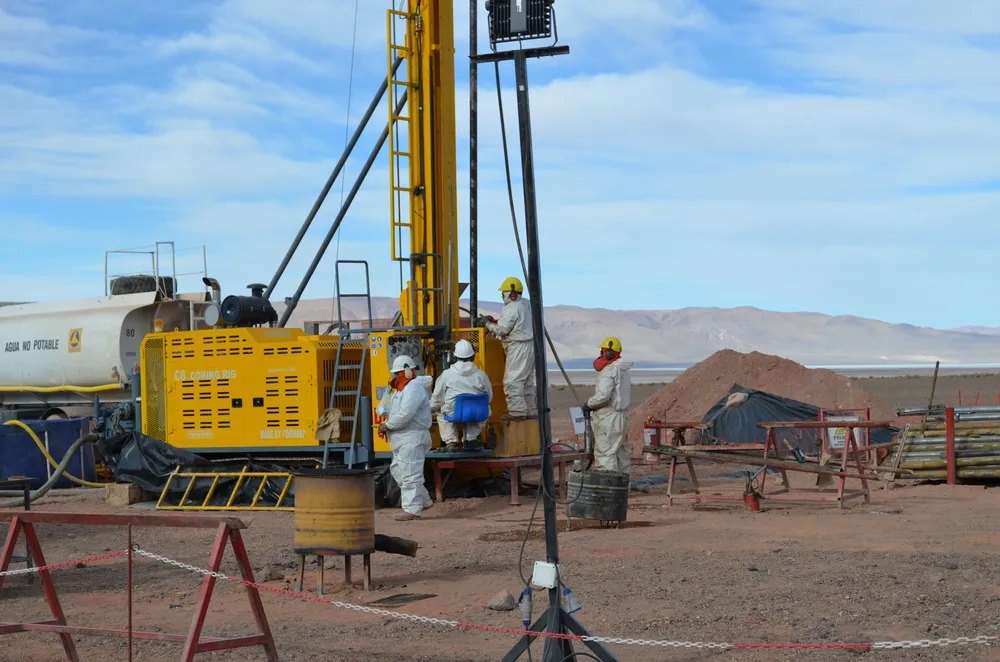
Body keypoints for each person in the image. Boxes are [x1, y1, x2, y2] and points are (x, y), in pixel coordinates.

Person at [377, 355, 434, 521]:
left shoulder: (414, 388)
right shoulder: (399, 390)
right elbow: (382, 410)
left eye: (398, 374)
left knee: (411, 473)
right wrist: (387, 393)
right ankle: (423, 500)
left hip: (412, 437)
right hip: (401, 439)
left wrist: (388, 425)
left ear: (408, 371)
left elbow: (405, 415)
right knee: (398, 470)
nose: (396, 377)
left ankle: (412, 509)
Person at [476, 276, 536, 419]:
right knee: (526, 381)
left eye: (504, 293)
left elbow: (503, 330)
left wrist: (486, 324)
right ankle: (530, 410)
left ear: (510, 294)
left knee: (513, 381)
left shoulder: (511, 308)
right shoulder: (527, 304)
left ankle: (517, 412)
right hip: (530, 345)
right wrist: (493, 322)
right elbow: (517, 323)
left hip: (518, 346)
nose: (503, 296)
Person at [581, 336, 633, 475]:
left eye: (602, 351)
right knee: (622, 454)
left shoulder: (609, 371)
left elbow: (603, 397)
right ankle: (623, 488)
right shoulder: (623, 371)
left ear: (608, 353)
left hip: (609, 419)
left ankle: (610, 489)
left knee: (605, 455)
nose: (601, 355)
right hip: (622, 417)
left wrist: (588, 404)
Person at [430, 339, 493, 452]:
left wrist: (431, 408)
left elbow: (437, 399)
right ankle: (470, 439)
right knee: (482, 408)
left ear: (454, 357)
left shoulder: (446, 375)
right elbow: (489, 397)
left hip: (454, 412)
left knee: (439, 411)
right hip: (476, 413)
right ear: (473, 357)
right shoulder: (481, 375)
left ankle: (451, 442)